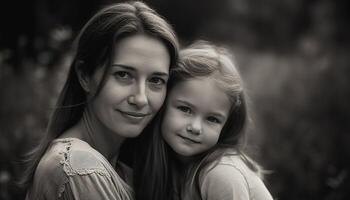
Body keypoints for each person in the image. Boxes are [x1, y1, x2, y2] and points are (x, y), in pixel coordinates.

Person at [21, 1, 178, 199]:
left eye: (156, 80)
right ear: (85, 76)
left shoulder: (123, 167)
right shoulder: (82, 169)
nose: (140, 98)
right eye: (123, 74)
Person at [134, 41, 273, 200]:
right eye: (185, 109)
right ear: (163, 102)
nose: (195, 127)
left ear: (226, 124)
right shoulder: (165, 166)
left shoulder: (222, 175)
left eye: (212, 119)